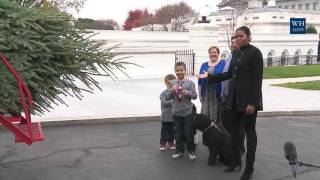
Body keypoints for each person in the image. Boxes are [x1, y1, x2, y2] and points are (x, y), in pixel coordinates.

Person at [199, 26, 263, 180]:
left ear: (248, 36)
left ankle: (249, 169)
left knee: (250, 134)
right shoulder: (235, 53)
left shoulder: (255, 53)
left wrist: (253, 103)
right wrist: (210, 77)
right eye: (236, 36)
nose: (238, 39)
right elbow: (228, 74)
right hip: (233, 101)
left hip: (248, 102)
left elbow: (257, 80)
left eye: (241, 36)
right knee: (234, 133)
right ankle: (235, 162)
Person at [219, 36, 246, 154]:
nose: (234, 44)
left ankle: (239, 148)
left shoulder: (242, 57)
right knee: (227, 124)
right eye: (232, 42)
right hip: (226, 97)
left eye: (236, 42)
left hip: (235, 98)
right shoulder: (230, 56)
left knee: (238, 126)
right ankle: (231, 146)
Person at [166, 62, 197, 160]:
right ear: (175, 71)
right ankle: (179, 151)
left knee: (188, 132)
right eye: (177, 70)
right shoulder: (172, 83)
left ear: (185, 70)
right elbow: (167, 97)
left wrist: (187, 93)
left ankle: (191, 151)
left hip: (187, 112)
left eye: (181, 70)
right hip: (176, 112)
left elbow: (195, 96)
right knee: (178, 133)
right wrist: (171, 91)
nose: (179, 72)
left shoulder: (190, 83)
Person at [198, 46, 227, 134]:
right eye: (211, 52)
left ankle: (219, 136)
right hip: (206, 93)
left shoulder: (223, 63)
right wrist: (200, 95)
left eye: (215, 52)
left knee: (218, 117)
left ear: (218, 54)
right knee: (206, 117)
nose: (213, 54)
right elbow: (199, 81)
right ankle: (208, 135)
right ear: (209, 54)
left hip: (218, 94)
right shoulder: (204, 64)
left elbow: (225, 78)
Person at [159, 74, 176, 151]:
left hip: (173, 116)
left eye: (172, 83)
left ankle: (171, 142)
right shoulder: (163, 93)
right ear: (166, 83)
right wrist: (173, 102)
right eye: (169, 83)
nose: (170, 85)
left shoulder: (176, 92)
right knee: (164, 131)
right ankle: (162, 143)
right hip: (165, 116)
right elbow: (164, 103)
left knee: (172, 131)